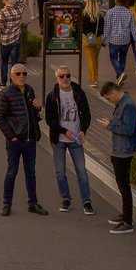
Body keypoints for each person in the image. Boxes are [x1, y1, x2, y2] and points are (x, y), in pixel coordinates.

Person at [0, 65, 47, 216]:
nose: (21, 76)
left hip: (30, 139)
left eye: (24, 73)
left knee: (31, 172)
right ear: (11, 76)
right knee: (12, 172)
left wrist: (37, 108)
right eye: (18, 74)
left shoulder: (29, 90)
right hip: (15, 141)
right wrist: (12, 136)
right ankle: (6, 203)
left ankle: (33, 203)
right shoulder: (5, 94)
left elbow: (31, 114)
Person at [47, 66, 94, 214]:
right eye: (62, 76)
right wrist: (64, 131)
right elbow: (50, 120)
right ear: (57, 79)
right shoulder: (52, 96)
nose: (65, 79)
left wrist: (82, 130)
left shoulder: (79, 93)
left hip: (75, 139)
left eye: (68, 75)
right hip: (59, 139)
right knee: (60, 171)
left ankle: (86, 201)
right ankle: (66, 198)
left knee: (81, 171)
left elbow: (86, 115)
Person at [99, 82, 136, 234]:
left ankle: (127, 221)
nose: (109, 101)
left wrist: (109, 126)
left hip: (124, 151)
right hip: (119, 149)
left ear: (114, 93)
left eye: (109, 98)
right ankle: (125, 215)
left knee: (124, 186)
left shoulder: (128, 106)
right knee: (122, 185)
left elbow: (129, 130)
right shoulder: (123, 103)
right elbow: (123, 124)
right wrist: (111, 122)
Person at [104, 0, 136, 80]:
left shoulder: (110, 12)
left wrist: (105, 40)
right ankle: (119, 77)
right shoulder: (130, 13)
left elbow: (107, 28)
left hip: (114, 39)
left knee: (113, 58)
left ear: (116, 1)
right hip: (126, 39)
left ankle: (120, 73)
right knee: (123, 57)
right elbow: (134, 29)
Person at [79, 0, 104, 86]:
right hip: (98, 39)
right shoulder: (100, 15)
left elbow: (82, 29)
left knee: (90, 60)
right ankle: (94, 77)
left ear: (88, 3)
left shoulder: (84, 15)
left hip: (87, 39)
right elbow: (102, 29)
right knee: (95, 59)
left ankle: (93, 80)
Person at [0, 0, 23, 85]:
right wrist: (16, 0)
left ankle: (3, 82)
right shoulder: (19, 10)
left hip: (5, 40)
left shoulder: (3, 12)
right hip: (16, 39)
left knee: (4, 62)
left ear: (5, 1)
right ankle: (13, 82)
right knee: (14, 62)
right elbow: (23, 1)